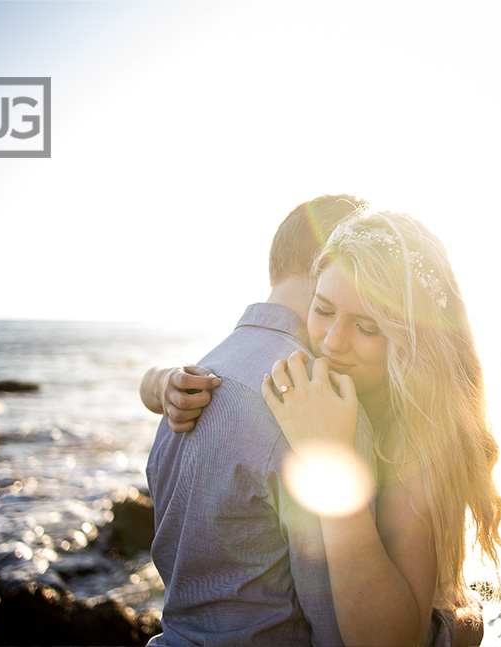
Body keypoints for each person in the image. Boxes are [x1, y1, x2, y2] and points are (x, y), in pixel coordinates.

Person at [150, 211, 501, 645]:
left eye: (367, 326)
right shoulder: (316, 389)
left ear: (414, 340)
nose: (333, 341)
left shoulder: (420, 440)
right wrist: (158, 382)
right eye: (323, 310)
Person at [144, 194, 374, 646]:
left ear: (276, 262)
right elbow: (341, 632)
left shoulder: (188, 382)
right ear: (337, 266)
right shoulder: (321, 403)